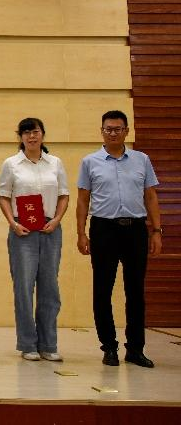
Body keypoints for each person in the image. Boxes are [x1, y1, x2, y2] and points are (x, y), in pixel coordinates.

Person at [76, 110, 162, 368]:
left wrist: (156, 231)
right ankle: (109, 347)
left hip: (135, 230)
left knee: (135, 291)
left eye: (117, 129)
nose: (113, 133)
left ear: (126, 131)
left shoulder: (141, 160)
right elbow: (82, 200)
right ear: (101, 131)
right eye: (108, 129)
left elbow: (150, 196)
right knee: (102, 290)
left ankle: (135, 349)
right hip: (104, 229)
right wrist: (81, 233)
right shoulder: (90, 162)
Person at [0, 117, 68, 362]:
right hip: (22, 231)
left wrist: (56, 220)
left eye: (35, 131)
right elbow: (4, 196)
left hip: (50, 229)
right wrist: (13, 223)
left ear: (42, 134)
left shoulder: (55, 163)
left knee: (50, 287)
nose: (31, 136)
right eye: (26, 132)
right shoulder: (11, 164)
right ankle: (28, 344)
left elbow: (63, 195)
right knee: (24, 288)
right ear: (20, 137)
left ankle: (48, 344)